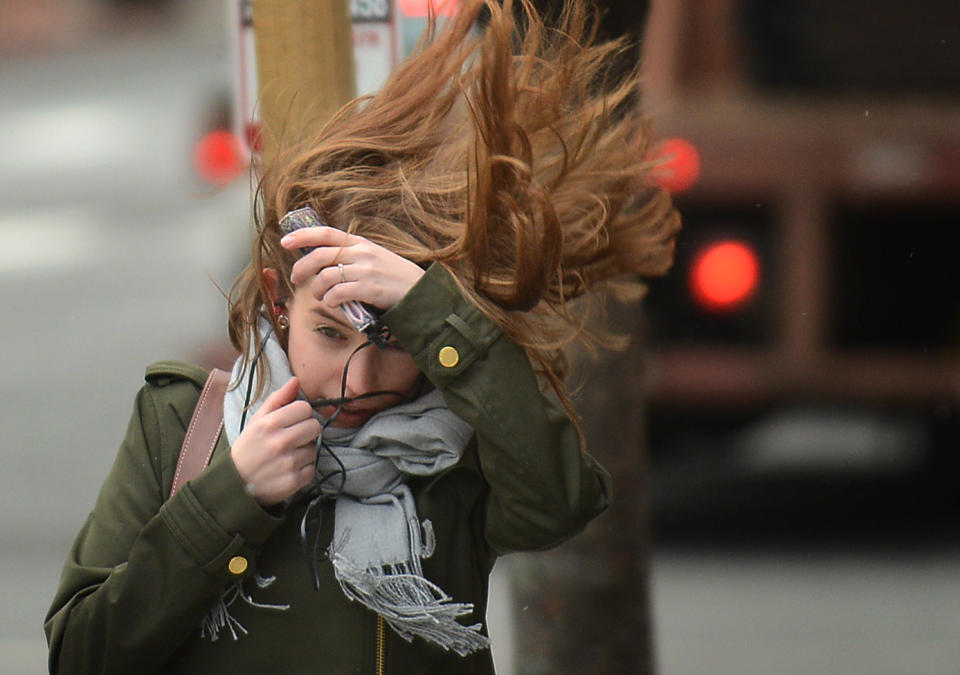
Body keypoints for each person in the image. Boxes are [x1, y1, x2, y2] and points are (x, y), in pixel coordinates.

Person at [44, 0, 679, 672]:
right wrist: (232, 495)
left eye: (393, 341)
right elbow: (82, 650)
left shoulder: (459, 446)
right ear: (277, 299)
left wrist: (429, 308)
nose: (359, 379)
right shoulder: (183, 423)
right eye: (329, 331)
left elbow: (561, 503)